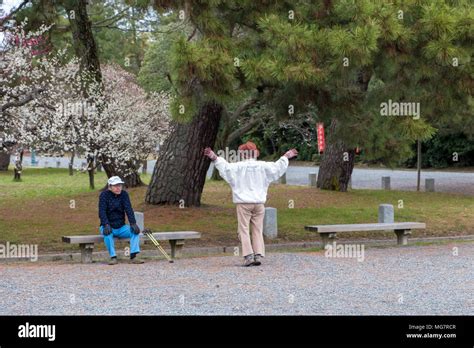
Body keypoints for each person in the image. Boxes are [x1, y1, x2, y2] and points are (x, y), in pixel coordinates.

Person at [204, 141, 298, 267]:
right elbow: (277, 168)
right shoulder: (263, 166)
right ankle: (258, 254)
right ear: (255, 153)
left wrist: (214, 157)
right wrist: (286, 156)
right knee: (257, 230)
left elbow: (225, 168)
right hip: (259, 203)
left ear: (242, 154)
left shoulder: (238, 167)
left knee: (243, 229)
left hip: (243, 203)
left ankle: (249, 256)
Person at [98, 176, 143, 265]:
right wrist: (106, 224)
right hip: (108, 225)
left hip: (121, 227)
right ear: (110, 187)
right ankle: (113, 257)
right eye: (115, 186)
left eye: (120, 185)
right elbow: (102, 212)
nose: (118, 188)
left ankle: (133, 256)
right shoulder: (104, 195)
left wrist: (133, 223)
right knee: (107, 233)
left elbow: (128, 209)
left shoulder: (124, 195)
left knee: (135, 231)